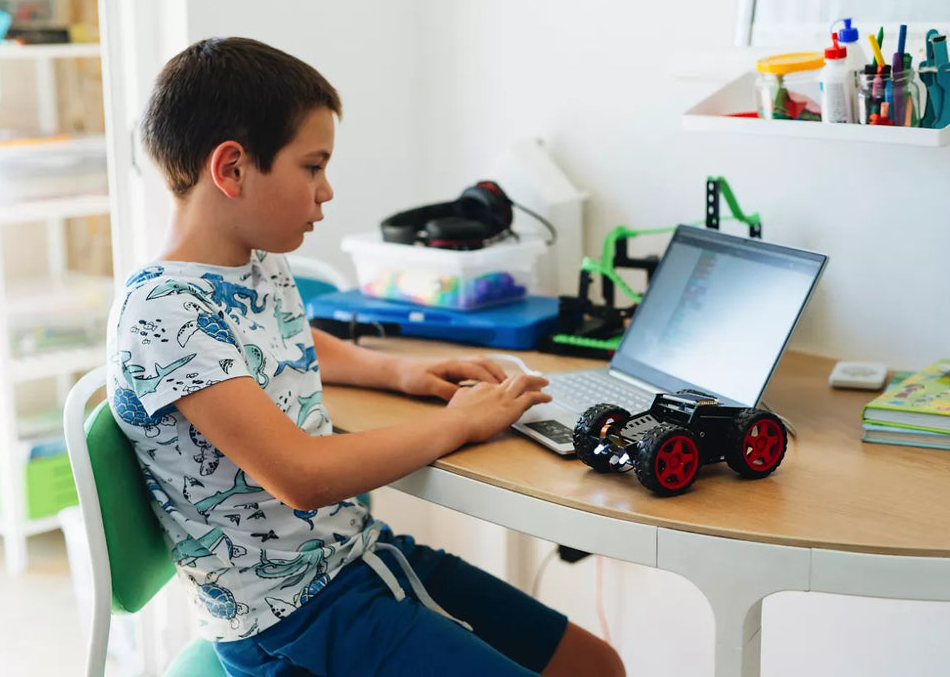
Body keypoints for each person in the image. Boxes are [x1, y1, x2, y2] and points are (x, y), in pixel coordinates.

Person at [107, 37, 625, 677]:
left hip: (352, 558)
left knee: (594, 665)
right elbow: (302, 476)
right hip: (292, 623)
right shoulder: (164, 313)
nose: (326, 191)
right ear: (233, 169)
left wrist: (400, 371)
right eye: (312, 166)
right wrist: (462, 421)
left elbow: (282, 339)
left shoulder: (254, 263)